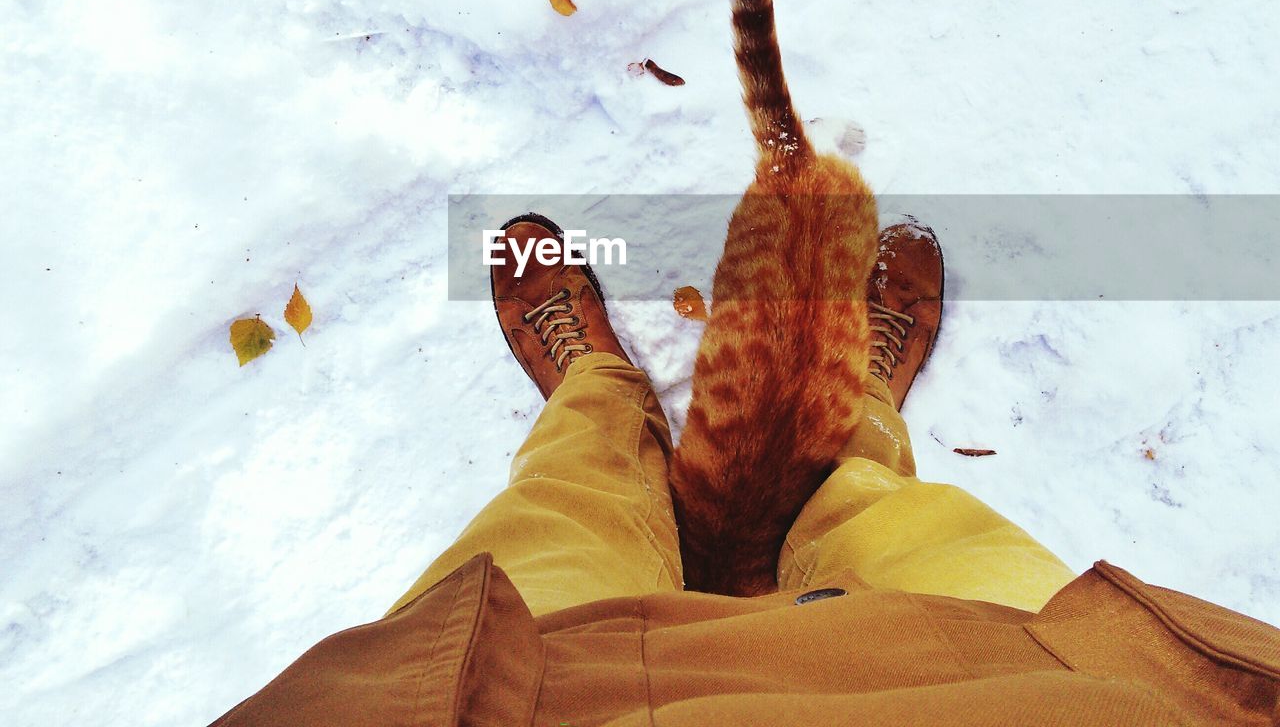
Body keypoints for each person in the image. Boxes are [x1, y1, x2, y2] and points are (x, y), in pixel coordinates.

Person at [210, 216, 1280, 727]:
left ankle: (600, 409)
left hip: (529, 703)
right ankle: (841, 430)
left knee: (553, 527)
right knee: (915, 536)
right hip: (1033, 690)